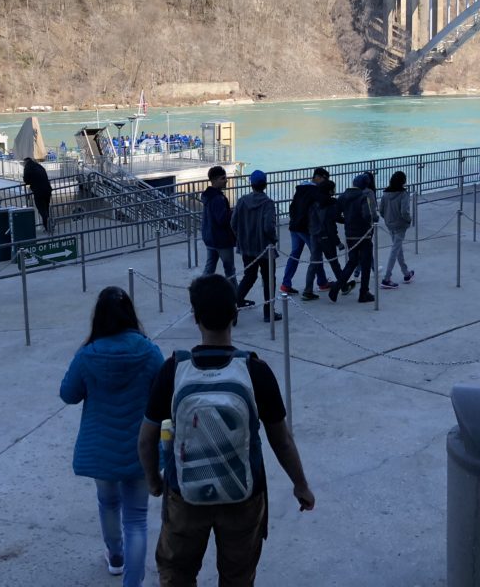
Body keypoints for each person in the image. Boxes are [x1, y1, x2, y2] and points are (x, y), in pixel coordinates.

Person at [138, 275, 315, 586]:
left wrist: (154, 481)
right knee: (238, 576)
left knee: (176, 573)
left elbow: (146, 439)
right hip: (243, 496)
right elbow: (281, 440)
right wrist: (300, 485)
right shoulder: (255, 371)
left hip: (185, 494)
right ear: (235, 315)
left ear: (195, 317)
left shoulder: (174, 370)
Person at [60, 287, 164, 587]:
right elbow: (163, 392)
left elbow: (68, 394)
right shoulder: (148, 351)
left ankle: (115, 555)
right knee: (137, 518)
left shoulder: (88, 354)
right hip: (140, 448)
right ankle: (133, 582)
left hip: (101, 447)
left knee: (107, 503)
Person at [230, 170, 281, 322]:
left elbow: (233, 223)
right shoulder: (268, 203)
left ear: (251, 184)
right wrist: (274, 239)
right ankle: (268, 313)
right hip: (265, 248)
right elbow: (268, 227)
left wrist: (241, 237)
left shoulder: (242, 201)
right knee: (268, 280)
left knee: (249, 277)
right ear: (265, 184)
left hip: (247, 247)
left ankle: (234, 305)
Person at [279, 167, 331, 295]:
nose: (325, 182)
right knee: (316, 254)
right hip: (304, 228)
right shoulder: (314, 190)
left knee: (295, 254)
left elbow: (293, 207)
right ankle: (322, 283)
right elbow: (324, 202)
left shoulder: (301, 189)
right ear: (317, 177)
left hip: (294, 226)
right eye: (325, 179)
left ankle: (286, 284)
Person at [330, 173, 378, 303]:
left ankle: (336, 288)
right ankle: (364, 293)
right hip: (364, 235)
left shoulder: (343, 197)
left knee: (352, 262)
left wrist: (346, 221)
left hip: (350, 234)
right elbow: (367, 216)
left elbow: (335, 215)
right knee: (366, 263)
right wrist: (371, 222)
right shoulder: (363, 197)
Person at [303, 180, 349, 301]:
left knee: (314, 263)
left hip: (314, 235)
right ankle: (343, 286)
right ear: (330, 190)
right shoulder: (330, 204)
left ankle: (307, 291)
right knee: (334, 263)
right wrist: (338, 242)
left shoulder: (313, 201)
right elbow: (331, 226)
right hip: (326, 237)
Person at [200, 166, 237, 287]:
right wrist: (233, 212)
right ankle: (236, 297)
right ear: (215, 180)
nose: (226, 180)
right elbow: (222, 219)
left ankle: (199, 291)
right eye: (223, 178)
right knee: (230, 270)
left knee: (209, 268)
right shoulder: (218, 199)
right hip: (221, 240)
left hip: (210, 238)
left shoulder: (208, 196)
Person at [379, 171, 415, 289]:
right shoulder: (403, 194)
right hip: (400, 225)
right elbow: (404, 212)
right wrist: (409, 220)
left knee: (398, 248)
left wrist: (388, 219)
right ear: (402, 182)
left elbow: (381, 210)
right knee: (395, 250)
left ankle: (406, 273)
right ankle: (386, 278)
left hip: (390, 224)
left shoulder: (385, 193)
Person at [23, 157, 54, 232]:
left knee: (41, 209)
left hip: (38, 191)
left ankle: (47, 226)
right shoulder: (39, 166)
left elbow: (26, 180)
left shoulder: (27, 168)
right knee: (46, 208)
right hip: (47, 190)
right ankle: (49, 224)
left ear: (26, 162)